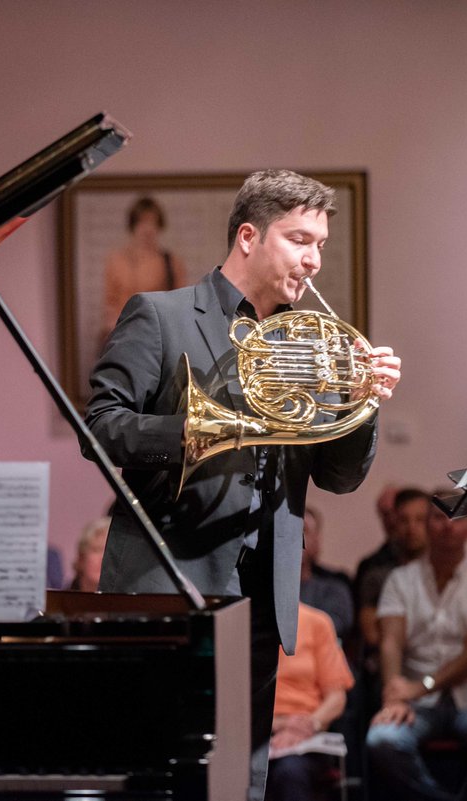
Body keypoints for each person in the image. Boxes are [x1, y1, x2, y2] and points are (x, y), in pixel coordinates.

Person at [85, 169, 401, 799]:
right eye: (300, 239)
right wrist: (199, 432)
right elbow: (101, 426)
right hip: (169, 581)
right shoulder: (161, 315)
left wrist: (362, 404)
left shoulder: (310, 345)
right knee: (163, 773)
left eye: (322, 245)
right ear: (250, 236)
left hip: (263, 588)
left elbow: (337, 476)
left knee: (244, 781)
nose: (314, 259)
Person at [366, 500, 467, 801]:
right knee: (381, 741)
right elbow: (390, 641)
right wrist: (394, 694)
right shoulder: (401, 580)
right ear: (426, 525)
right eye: (439, 517)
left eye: (458, 517)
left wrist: (419, 687)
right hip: (416, 705)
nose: (448, 525)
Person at [265, 603, 355, 801]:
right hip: (253, 734)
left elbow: (336, 697)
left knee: (290, 772)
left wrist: (308, 724)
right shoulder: (235, 620)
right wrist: (280, 724)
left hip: (304, 737)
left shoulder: (317, 621)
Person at [101, 196, 188, 342]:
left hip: (158, 336)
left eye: (152, 222)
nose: (147, 229)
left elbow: (180, 305)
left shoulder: (171, 262)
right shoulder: (116, 261)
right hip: (123, 336)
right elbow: (110, 304)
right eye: (142, 222)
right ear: (133, 225)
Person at [356, 487, 431, 652]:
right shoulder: (376, 575)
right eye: (404, 520)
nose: (412, 528)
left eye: (420, 520)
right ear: (394, 523)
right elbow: (373, 634)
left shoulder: (446, 570)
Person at [299, 506, 354, 640]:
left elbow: (330, 628)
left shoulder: (334, 590)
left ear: (316, 540)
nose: (294, 537)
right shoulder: (264, 591)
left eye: (303, 530)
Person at [70, 516, 110, 592]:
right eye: (97, 550)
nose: (103, 558)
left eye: (110, 553)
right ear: (81, 557)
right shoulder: (58, 601)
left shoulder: (130, 602)